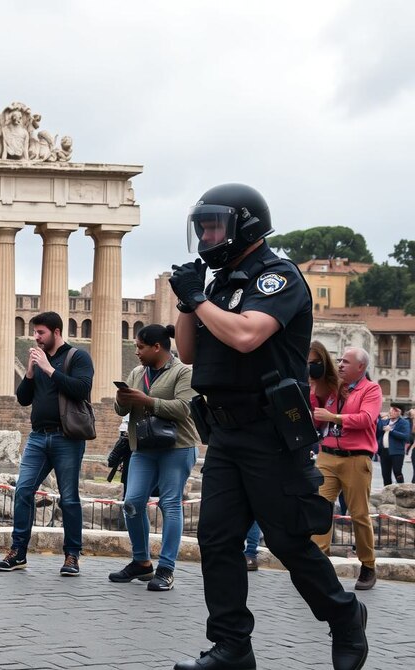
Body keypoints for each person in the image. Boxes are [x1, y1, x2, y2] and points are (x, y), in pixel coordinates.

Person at [170, 183, 367, 670]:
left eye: (215, 226)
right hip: (225, 432)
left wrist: (199, 299)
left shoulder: (276, 277)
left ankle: (345, 617)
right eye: (202, 227)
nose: (207, 236)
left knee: (287, 540)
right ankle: (232, 645)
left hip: (269, 434)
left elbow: (245, 335)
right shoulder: (218, 285)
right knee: (216, 539)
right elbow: (190, 353)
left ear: (245, 226)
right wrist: (186, 300)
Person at [0, 311, 93, 576]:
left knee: (69, 499)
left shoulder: (76, 356)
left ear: (56, 332)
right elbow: (23, 399)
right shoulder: (37, 360)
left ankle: (72, 556)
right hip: (38, 437)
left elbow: (82, 389)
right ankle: (18, 553)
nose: (35, 337)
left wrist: (49, 369)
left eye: (41, 333)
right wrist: (30, 371)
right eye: (35, 332)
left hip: (67, 438)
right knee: (23, 491)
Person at [109, 324, 200, 592]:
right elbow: (121, 409)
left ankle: (167, 568)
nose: (136, 352)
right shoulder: (137, 373)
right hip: (143, 448)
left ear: (157, 347)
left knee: (170, 504)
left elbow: (184, 409)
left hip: (177, 447)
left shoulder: (183, 372)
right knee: (132, 503)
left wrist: (145, 400)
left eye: (140, 347)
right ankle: (142, 562)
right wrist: (123, 399)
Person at [311, 347, 383, 590]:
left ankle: (368, 565)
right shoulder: (332, 388)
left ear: (360, 367)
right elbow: (317, 418)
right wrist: (313, 388)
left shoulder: (371, 389)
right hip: (327, 456)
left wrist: (335, 417)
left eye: (346, 361)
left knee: (359, 515)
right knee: (319, 508)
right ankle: (318, 564)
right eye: (339, 360)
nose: (340, 364)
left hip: (356, 458)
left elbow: (366, 419)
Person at [377, 404, 410, 486]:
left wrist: (391, 430)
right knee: (385, 474)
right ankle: (387, 492)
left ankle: (402, 489)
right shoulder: (385, 421)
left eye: (394, 411)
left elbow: (405, 436)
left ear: (399, 413)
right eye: (390, 410)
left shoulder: (404, 422)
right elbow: (378, 431)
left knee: (397, 472)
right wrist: (380, 418)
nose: (391, 412)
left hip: (397, 452)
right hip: (384, 451)